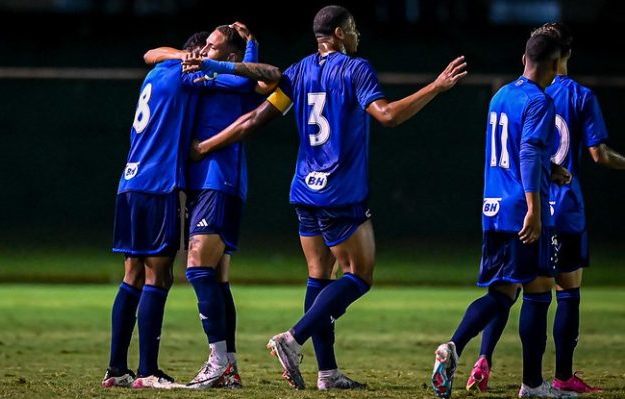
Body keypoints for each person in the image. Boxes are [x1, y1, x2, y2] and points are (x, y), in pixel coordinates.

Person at [187, 5, 466, 390]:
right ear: (336, 33)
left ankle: (328, 372)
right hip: (340, 192)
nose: (356, 35)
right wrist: (436, 87)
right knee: (359, 276)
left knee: (320, 276)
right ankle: (293, 338)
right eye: (352, 29)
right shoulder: (355, 69)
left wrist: (205, 147)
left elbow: (254, 120)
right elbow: (387, 116)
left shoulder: (299, 71)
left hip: (305, 190)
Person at [467, 22, 624, 394]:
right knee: (560, 292)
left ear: (528, 56)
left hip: (507, 206)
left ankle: (484, 356)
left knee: (508, 288)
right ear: (562, 58)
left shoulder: (509, 93)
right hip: (555, 210)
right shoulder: (575, 96)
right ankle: (554, 378)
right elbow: (596, 154)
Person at [430, 33, 577, 399]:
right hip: (520, 210)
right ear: (555, 64)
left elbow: (514, 152)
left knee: (501, 292)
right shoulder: (539, 101)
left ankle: (453, 348)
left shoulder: (501, 95)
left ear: (524, 56)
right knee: (539, 292)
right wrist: (534, 208)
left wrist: (551, 167)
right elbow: (526, 153)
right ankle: (532, 385)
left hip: (493, 208)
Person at [145, 22, 276, 389]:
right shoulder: (203, 74)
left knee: (197, 267)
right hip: (203, 183)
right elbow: (151, 54)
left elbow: (256, 79)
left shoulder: (230, 77)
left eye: (213, 47)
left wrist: (250, 45)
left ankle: (217, 361)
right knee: (217, 277)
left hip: (220, 180)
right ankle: (229, 366)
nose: (204, 52)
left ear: (231, 56)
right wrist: (190, 57)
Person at [100, 31, 207, 390]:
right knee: (158, 277)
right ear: (200, 50)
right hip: (159, 183)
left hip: (129, 182)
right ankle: (147, 372)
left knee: (132, 274)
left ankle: (116, 370)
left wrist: (181, 54)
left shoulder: (159, 70)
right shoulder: (192, 72)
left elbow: (149, 52)